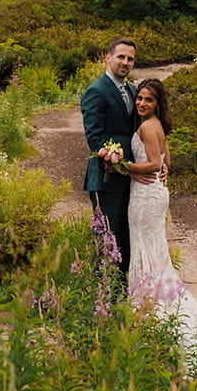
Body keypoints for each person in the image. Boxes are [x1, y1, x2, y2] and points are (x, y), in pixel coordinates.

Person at [125, 78, 197, 347]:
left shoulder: (148, 127)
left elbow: (151, 164)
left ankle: (150, 311)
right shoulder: (158, 125)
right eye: (139, 98)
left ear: (158, 103)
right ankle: (156, 303)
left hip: (145, 195)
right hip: (156, 193)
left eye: (148, 99)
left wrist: (126, 166)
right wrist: (160, 169)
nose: (141, 103)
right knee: (155, 250)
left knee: (145, 248)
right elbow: (165, 162)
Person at [80, 37, 137, 277]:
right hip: (107, 177)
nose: (125, 62)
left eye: (130, 59)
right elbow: (94, 137)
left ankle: (122, 294)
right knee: (107, 239)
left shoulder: (133, 90)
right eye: (121, 57)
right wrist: (113, 158)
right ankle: (101, 296)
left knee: (126, 237)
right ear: (108, 57)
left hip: (131, 178)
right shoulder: (96, 91)